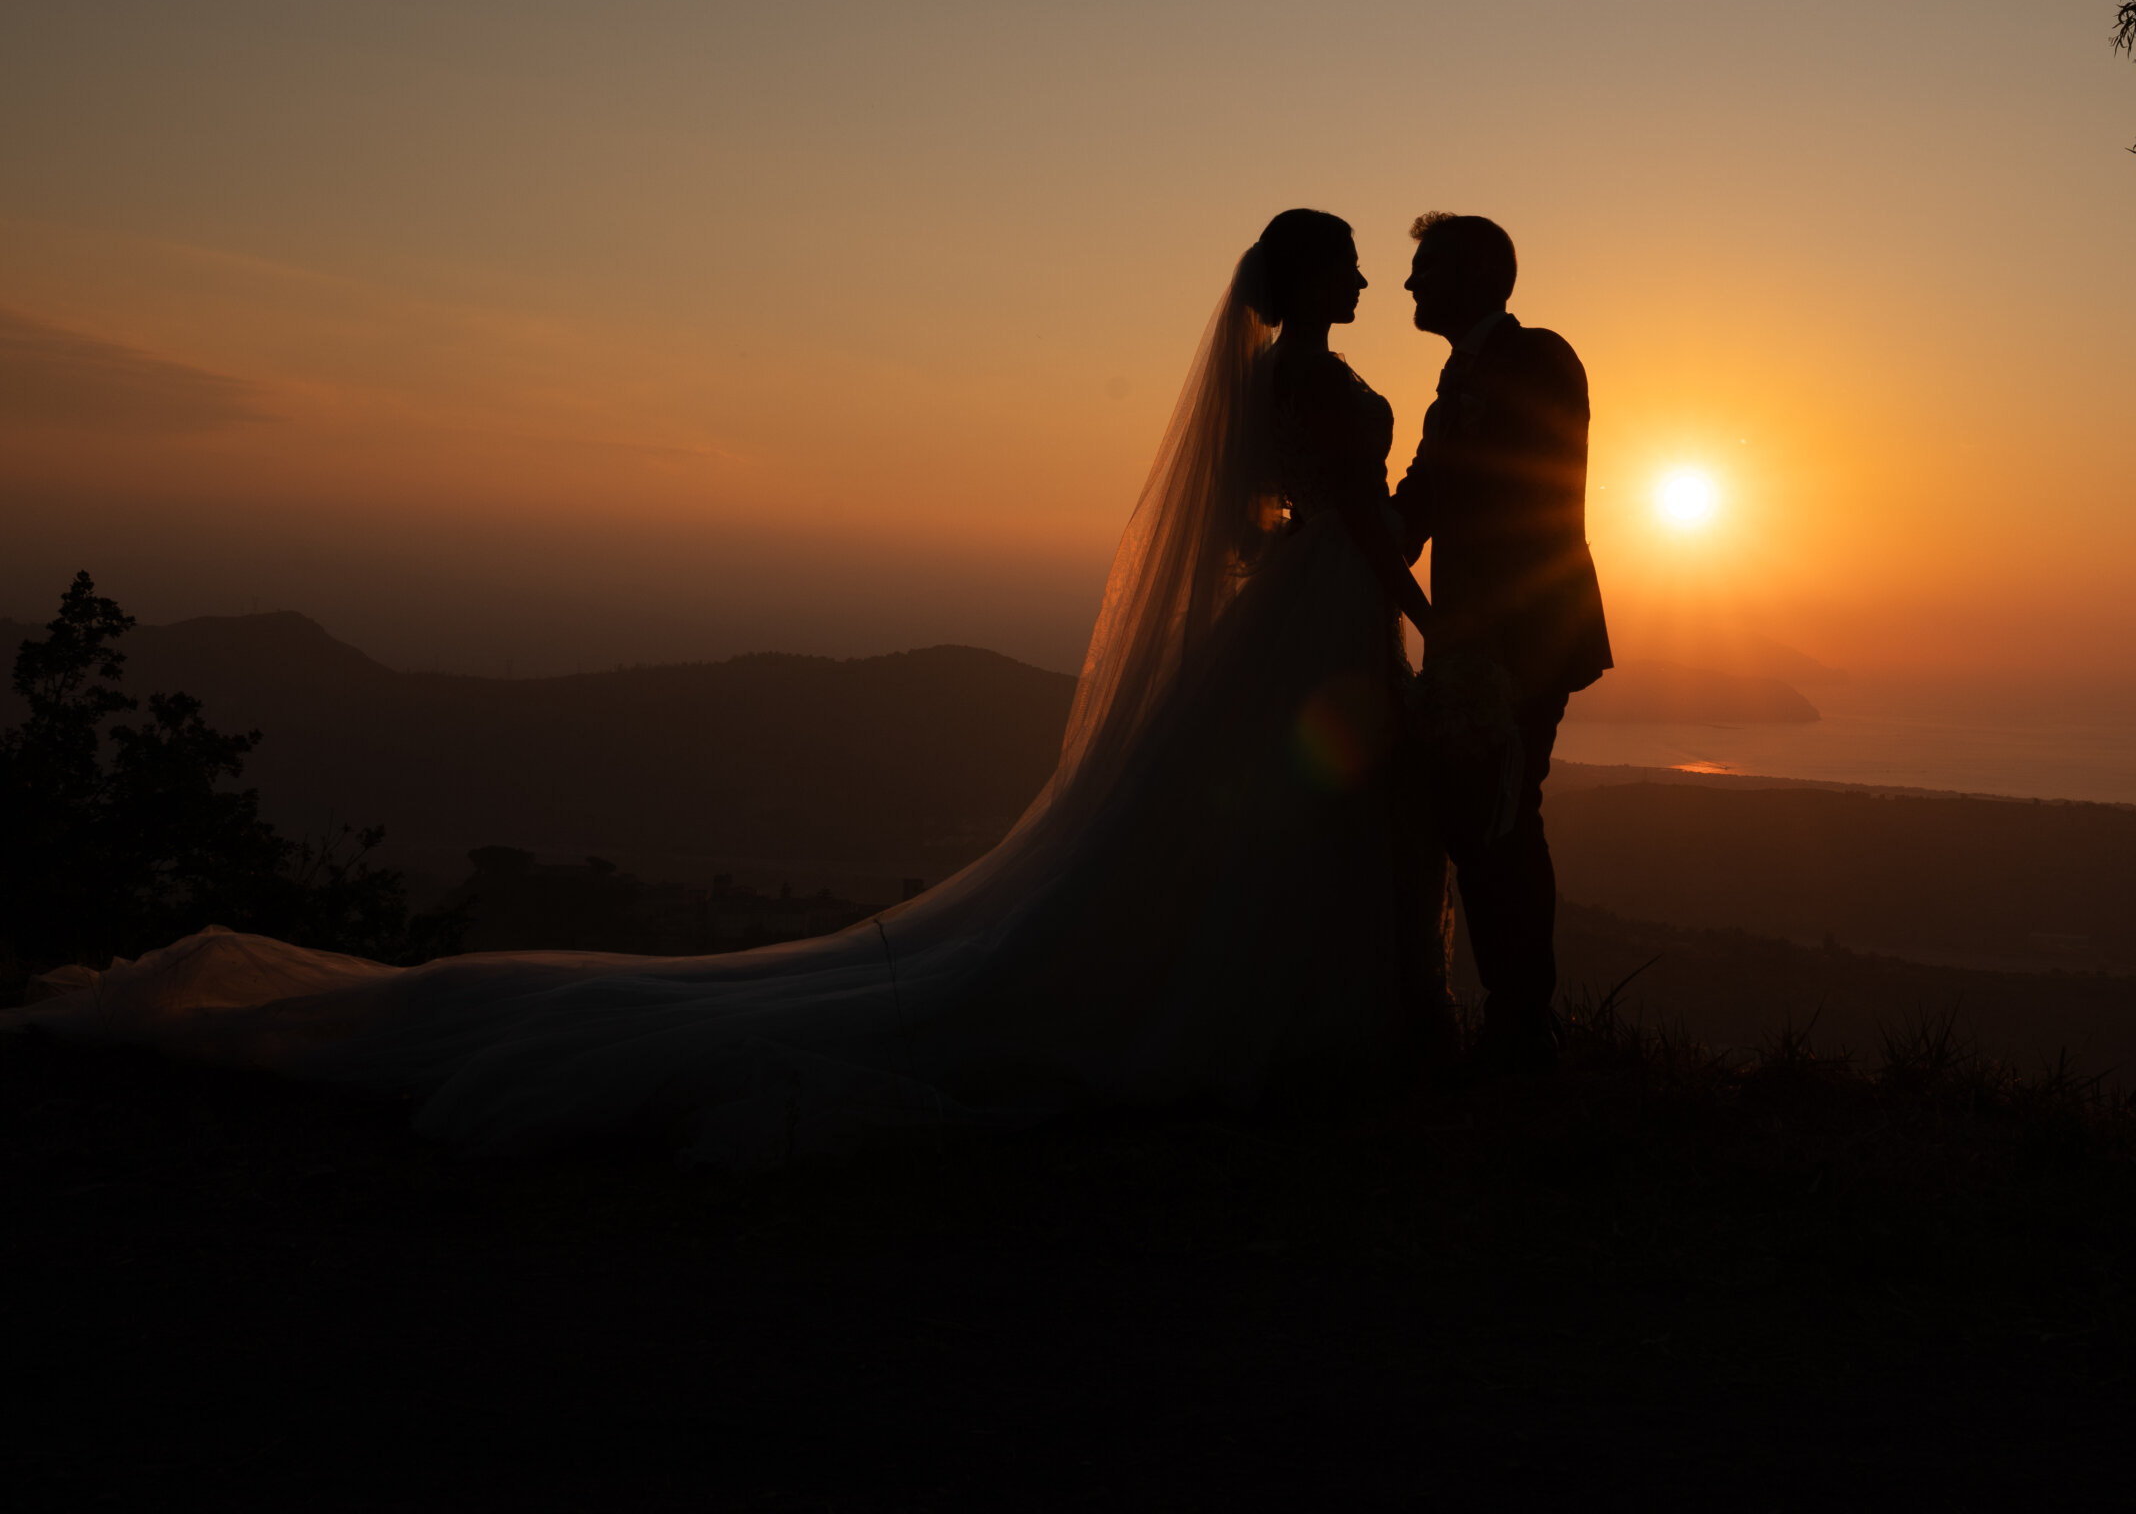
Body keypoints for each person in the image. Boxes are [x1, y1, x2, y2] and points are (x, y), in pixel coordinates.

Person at [7, 211, 1454, 1160]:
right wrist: (1429, 620)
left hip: (1289, 619)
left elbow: (1277, 516)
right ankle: (1301, 1034)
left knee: (1254, 831)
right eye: (1347, 262)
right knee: (1283, 831)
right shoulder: (1318, 391)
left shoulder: (1277, 390)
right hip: (1317, 621)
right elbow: (1363, 518)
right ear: (1306, 279)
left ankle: (1295, 1027)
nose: (1365, 280)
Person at [1392, 213, 1613, 1076]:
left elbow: (1518, 494)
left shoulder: (1540, 360)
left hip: (1525, 634)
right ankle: (1515, 1019)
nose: (1410, 285)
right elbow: (1425, 494)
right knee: (1478, 821)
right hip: (1470, 640)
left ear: (1482, 273)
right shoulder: (1456, 380)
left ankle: (1524, 1023)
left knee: (1504, 817)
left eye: (1427, 266)